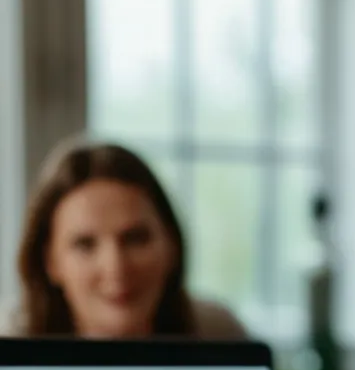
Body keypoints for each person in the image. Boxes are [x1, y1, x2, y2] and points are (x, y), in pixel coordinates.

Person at [0, 136, 246, 339]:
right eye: (85, 245)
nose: (116, 267)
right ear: (50, 262)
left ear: (171, 247)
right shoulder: (9, 341)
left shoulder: (219, 334)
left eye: (136, 239)